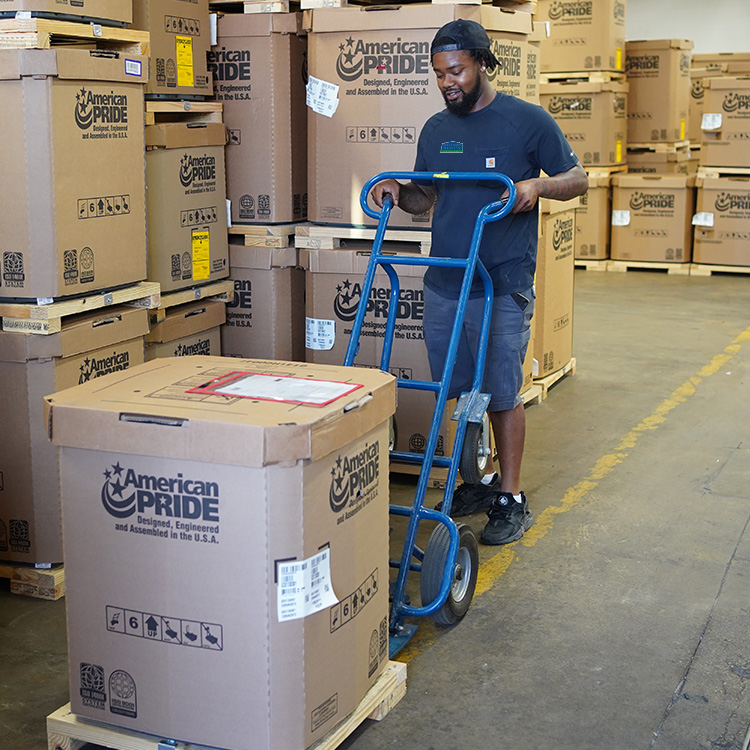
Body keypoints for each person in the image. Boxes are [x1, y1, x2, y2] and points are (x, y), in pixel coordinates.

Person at [370, 19, 588, 545]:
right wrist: (399, 191)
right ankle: (479, 481)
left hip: (501, 283)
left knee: (503, 394)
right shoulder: (436, 130)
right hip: (447, 282)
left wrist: (537, 185)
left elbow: (579, 178)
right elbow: (428, 199)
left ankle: (510, 495)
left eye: (457, 71)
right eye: (439, 74)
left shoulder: (527, 121)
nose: (448, 82)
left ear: (483, 64)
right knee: (457, 387)